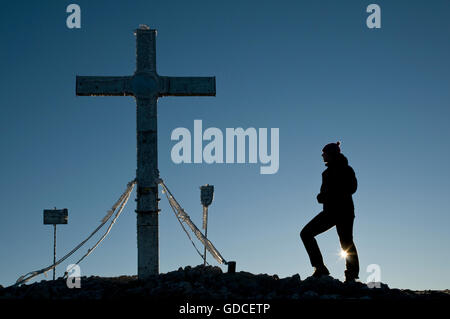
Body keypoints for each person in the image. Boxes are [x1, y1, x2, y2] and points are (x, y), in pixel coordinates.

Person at [300, 141, 360, 282]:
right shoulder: (326, 173)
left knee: (346, 242)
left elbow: (352, 188)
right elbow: (324, 194)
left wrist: (330, 194)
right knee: (306, 234)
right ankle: (320, 267)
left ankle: (351, 274)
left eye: (324, 153)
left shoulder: (346, 169)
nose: (322, 155)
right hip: (330, 212)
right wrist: (321, 197)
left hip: (344, 212)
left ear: (331, 154)